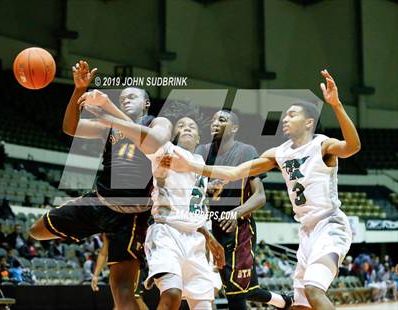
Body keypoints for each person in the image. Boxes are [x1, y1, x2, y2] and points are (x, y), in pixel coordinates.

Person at [168, 70, 361, 310]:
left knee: (313, 289)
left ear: (309, 122)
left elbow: (352, 146)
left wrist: (336, 105)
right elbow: (234, 173)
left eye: (292, 115)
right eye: (285, 116)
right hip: (307, 232)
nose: (285, 119)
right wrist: (192, 165)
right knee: (301, 305)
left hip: (330, 225)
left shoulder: (322, 145)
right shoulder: (280, 152)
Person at [29, 60, 172, 310]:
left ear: (147, 103)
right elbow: (70, 128)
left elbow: (154, 143)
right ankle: (91, 232)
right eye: (123, 97)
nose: (126, 100)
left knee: (123, 292)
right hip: (99, 202)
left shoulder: (158, 122)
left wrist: (110, 114)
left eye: (133, 97)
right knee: (36, 231)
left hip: (133, 215)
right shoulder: (108, 126)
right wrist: (79, 90)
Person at [195, 109, 291, 309]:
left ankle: (284, 301)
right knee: (243, 288)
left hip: (239, 228)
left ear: (234, 128)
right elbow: (192, 190)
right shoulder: (201, 152)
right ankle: (284, 301)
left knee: (235, 291)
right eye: (213, 119)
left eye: (222, 120)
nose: (215, 123)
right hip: (208, 227)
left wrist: (236, 212)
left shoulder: (246, 151)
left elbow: (260, 196)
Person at [144, 109, 225, 310]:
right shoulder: (167, 149)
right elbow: (159, 170)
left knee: (204, 304)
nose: (187, 128)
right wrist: (161, 169)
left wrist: (209, 235)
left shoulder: (200, 163)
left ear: (198, 138)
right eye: (181, 125)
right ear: (173, 135)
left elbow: (196, 207)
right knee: (172, 294)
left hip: (196, 238)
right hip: (167, 231)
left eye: (192, 127)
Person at [91, 233, 149, 310]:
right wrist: (95, 275)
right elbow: (103, 253)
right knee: (119, 301)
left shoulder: (132, 225)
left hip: (132, 265)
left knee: (135, 298)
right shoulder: (108, 229)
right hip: (115, 267)